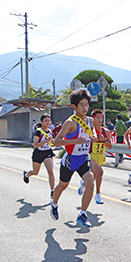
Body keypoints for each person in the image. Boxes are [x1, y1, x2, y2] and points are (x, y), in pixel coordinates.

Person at [50, 89, 97, 227]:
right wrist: (75, 141)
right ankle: (54, 204)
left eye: (87, 104)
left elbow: (91, 132)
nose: (85, 108)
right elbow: (56, 142)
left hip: (83, 158)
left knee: (90, 183)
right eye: (81, 105)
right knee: (63, 186)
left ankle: (82, 214)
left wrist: (93, 136)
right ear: (74, 107)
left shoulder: (90, 121)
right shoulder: (69, 123)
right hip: (70, 160)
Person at [23, 113, 55, 199]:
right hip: (38, 153)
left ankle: (52, 191)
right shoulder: (38, 131)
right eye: (46, 121)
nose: (48, 122)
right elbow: (35, 145)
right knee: (35, 172)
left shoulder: (50, 131)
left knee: (50, 171)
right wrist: (46, 140)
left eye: (49, 120)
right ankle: (26, 175)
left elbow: (50, 142)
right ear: (41, 122)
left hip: (47, 152)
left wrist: (53, 142)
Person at [85, 109, 112, 205]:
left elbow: (110, 146)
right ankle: (98, 194)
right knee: (100, 172)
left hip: (101, 155)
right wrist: (91, 141)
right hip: (91, 155)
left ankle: (83, 183)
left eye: (101, 117)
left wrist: (104, 140)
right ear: (93, 119)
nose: (99, 120)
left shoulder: (106, 131)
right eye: (97, 118)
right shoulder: (89, 130)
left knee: (94, 176)